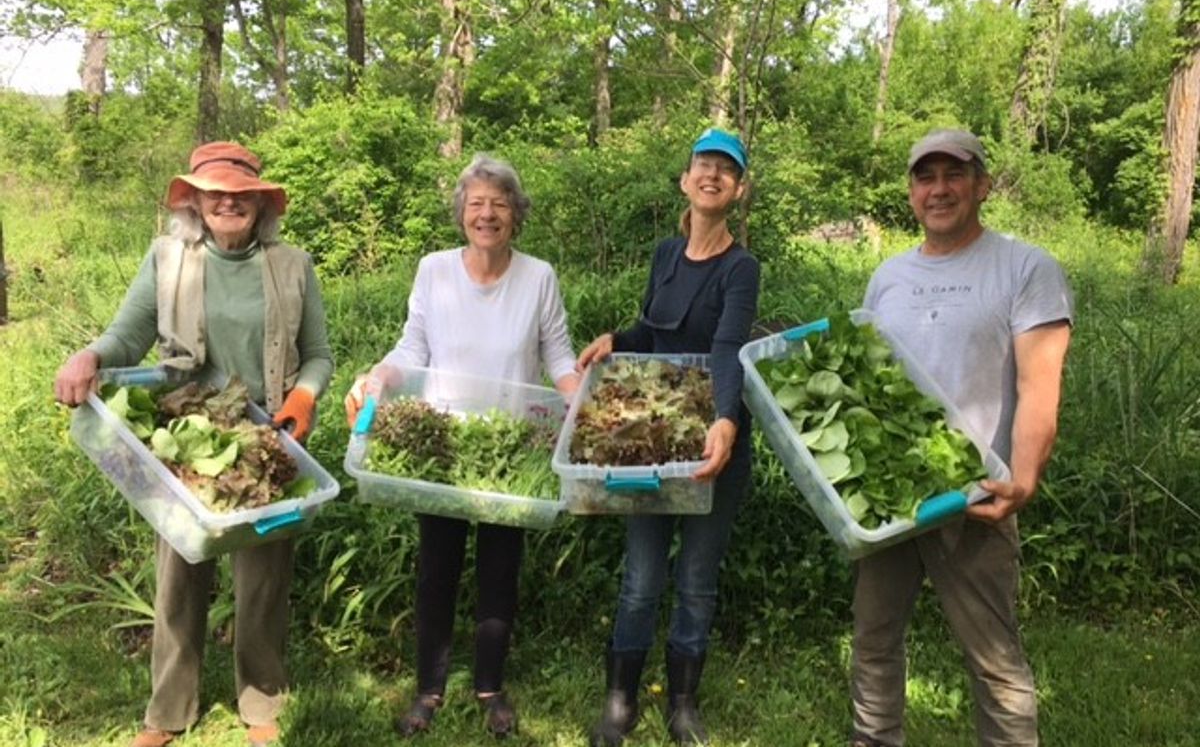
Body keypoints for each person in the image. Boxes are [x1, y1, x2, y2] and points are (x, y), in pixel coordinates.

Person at [53, 142, 334, 747]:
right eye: (214, 191)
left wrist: (304, 398)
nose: (227, 200)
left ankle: (261, 703)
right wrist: (91, 355)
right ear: (196, 201)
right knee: (179, 573)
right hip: (186, 436)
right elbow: (127, 335)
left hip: (265, 437)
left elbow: (318, 355)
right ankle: (168, 711)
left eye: (240, 192)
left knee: (264, 578)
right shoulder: (168, 259)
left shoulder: (294, 266)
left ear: (260, 203)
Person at [343, 154, 579, 739]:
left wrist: (582, 401)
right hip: (443, 446)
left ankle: (490, 688)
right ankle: (428, 689)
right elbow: (411, 348)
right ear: (461, 214)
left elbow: (558, 357)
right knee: (437, 569)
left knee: (501, 569)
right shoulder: (434, 270)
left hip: (511, 448)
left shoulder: (539, 276)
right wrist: (380, 376)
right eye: (476, 203)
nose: (487, 213)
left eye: (499, 203)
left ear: (516, 214)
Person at [850, 129, 1073, 747]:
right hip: (889, 499)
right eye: (926, 177)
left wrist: (1022, 478)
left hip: (975, 496)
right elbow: (868, 385)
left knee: (995, 662)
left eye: (955, 174)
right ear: (911, 191)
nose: (939, 189)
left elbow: (1039, 385)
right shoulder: (888, 276)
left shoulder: (1026, 267)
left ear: (983, 184)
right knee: (873, 644)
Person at [578, 128, 760, 747]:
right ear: (685, 180)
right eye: (702, 166)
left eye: (725, 170)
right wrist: (616, 341)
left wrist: (728, 419)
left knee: (697, 579)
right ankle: (620, 700)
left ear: (737, 190)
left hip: (714, 441)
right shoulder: (665, 254)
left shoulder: (741, 268)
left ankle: (683, 705)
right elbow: (653, 332)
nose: (712, 176)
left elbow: (727, 346)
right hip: (654, 438)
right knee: (641, 575)